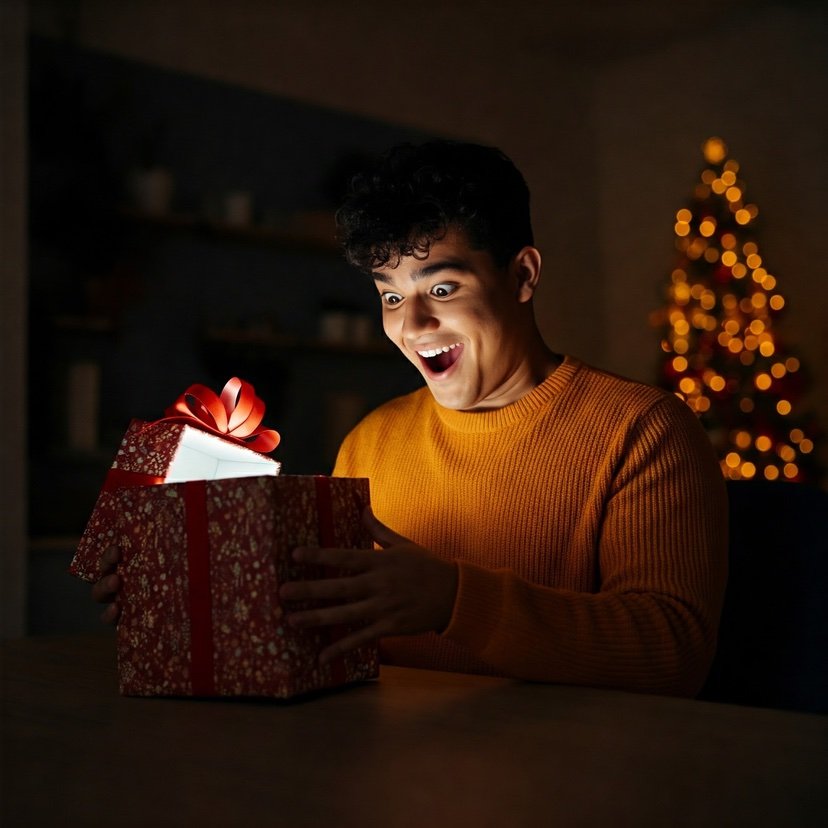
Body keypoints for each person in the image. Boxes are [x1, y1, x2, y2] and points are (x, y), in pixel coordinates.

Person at [94, 140, 728, 697]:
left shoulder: (645, 431)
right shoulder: (370, 440)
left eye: (442, 289)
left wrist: (455, 600)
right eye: (391, 295)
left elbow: (673, 655)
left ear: (522, 275)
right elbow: (330, 633)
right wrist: (186, 591)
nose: (410, 325)